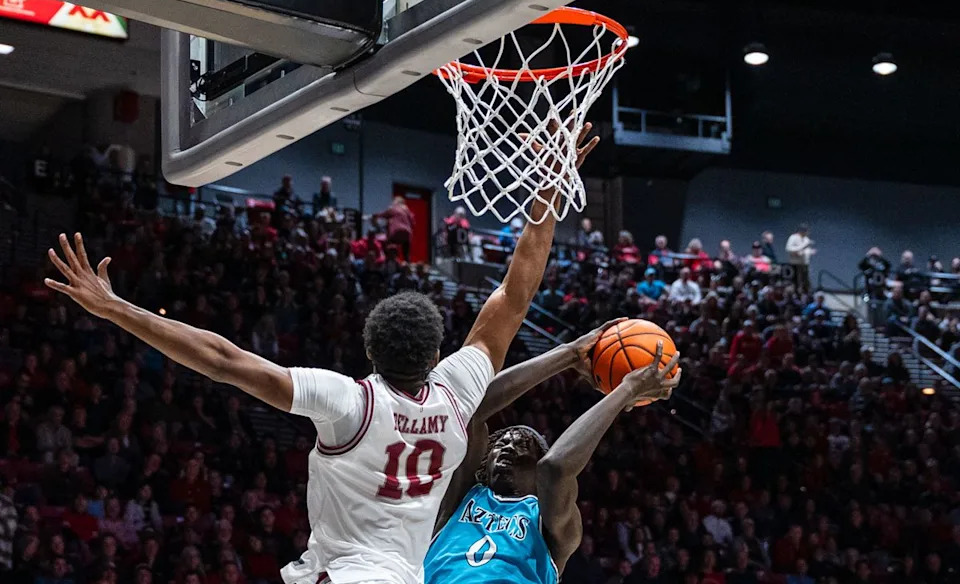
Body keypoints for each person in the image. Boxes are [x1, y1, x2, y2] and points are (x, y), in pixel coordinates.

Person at [44, 123, 599, 584]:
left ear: (368, 349)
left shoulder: (347, 403)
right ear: (435, 353)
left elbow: (223, 360)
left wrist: (119, 309)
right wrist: (551, 185)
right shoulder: (456, 393)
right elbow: (515, 293)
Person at [424, 323, 680, 584]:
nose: (507, 446)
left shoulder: (551, 522)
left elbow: (555, 467)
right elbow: (473, 411)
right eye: (499, 444)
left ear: (537, 471)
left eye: (524, 447)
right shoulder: (460, 497)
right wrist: (568, 354)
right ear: (483, 464)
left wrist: (626, 390)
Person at [374, 196, 416, 262]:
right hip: (407, 233)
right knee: (406, 250)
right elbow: (413, 223)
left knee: (387, 245)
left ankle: (388, 261)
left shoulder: (394, 208)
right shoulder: (407, 210)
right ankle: (407, 262)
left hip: (396, 232)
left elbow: (383, 214)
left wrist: (375, 216)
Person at [785, 225, 815, 293]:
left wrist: (809, 252)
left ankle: (806, 295)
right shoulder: (793, 237)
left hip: (804, 264)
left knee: (806, 282)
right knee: (796, 282)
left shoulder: (806, 239)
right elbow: (789, 248)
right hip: (795, 264)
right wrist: (802, 248)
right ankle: (796, 295)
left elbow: (806, 250)